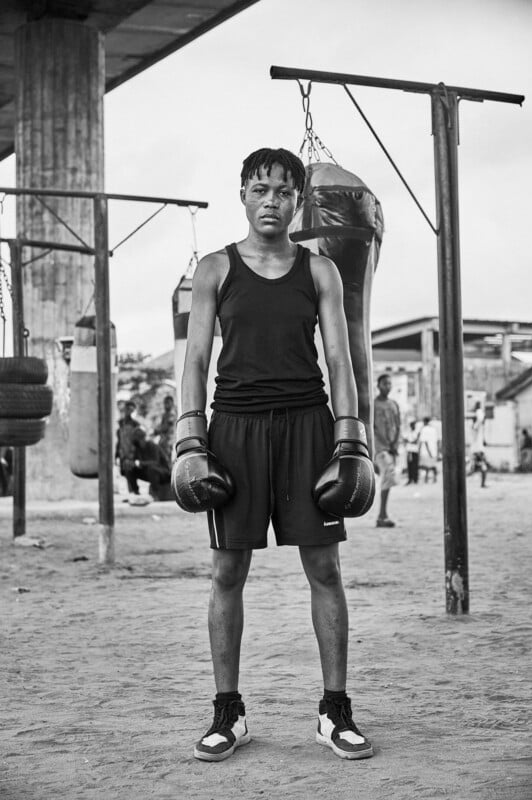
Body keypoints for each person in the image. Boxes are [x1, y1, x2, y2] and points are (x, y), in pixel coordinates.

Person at [177, 147, 374, 762]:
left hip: (308, 427)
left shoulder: (320, 272)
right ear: (242, 194)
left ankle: (334, 710)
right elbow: (195, 361)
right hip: (233, 429)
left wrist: (352, 437)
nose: (272, 201)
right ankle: (227, 713)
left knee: (325, 570)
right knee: (227, 572)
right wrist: (190, 439)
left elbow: (340, 359)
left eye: (284, 193)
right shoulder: (214, 269)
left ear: (298, 202)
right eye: (261, 190)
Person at [373, 373, 400, 526]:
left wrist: (395, 444)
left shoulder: (393, 404)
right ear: (378, 386)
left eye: (389, 383)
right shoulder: (374, 405)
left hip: (391, 448)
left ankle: (382, 515)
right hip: (380, 448)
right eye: (385, 384)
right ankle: (382, 515)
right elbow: (373, 428)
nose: (387, 386)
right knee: (388, 477)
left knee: (388, 478)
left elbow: (398, 426)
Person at [122, 427, 171, 500]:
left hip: (163, 473)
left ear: (143, 439)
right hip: (149, 472)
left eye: (139, 441)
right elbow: (135, 462)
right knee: (129, 469)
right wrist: (130, 462)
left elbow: (155, 462)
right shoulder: (138, 449)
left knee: (151, 469)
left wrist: (140, 463)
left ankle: (155, 495)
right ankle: (135, 493)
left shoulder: (152, 446)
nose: (139, 444)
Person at [115, 400, 141, 495]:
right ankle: (131, 492)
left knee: (131, 471)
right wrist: (117, 454)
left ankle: (134, 491)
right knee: (125, 472)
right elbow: (119, 439)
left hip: (131, 452)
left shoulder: (135, 424)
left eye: (131, 409)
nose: (129, 411)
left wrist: (137, 454)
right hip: (123, 451)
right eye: (127, 409)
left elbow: (138, 440)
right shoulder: (120, 423)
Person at [153, 394, 177, 468]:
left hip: (169, 441)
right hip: (163, 440)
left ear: (172, 404)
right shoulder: (165, 414)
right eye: (165, 403)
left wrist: (156, 431)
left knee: (167, 460)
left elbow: (166, 427)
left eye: (168, 403)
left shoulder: (171, 414)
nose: (166, 405)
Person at [470, 402, 488, 487]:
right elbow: (480, 418)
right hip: (478, 450)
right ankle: (482, 484)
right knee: (483, 467)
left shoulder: (477, 427)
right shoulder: (476, 426)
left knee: (480, 466)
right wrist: (479, 409)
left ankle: (482, 483)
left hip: (477, 449)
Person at [418, 417, 439, 484]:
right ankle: (434, 478)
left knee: (426, 466)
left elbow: (424, 441)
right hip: (434, 449)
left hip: (426, 451)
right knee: (433, 465)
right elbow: (437, 440)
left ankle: (427, 478)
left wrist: (420, 450)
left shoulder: (424, 429)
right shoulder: (433, 429)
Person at [404, 420, 420, 485]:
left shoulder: (416, 432)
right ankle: (410, 479)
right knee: (409, 465)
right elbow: (405, 440)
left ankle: (415, 479)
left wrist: (409, 441)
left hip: (415, 451)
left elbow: (415, 441)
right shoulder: (409, 432)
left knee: (415, 465)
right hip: (409, 451)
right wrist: (409, 441)